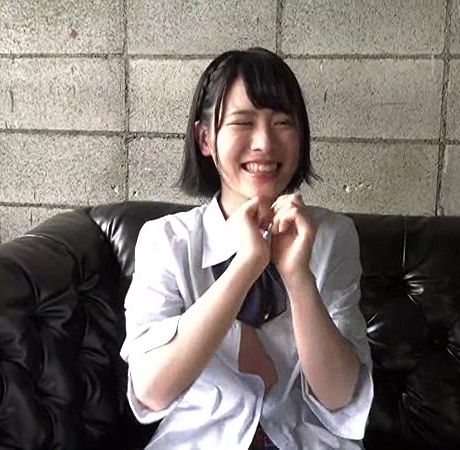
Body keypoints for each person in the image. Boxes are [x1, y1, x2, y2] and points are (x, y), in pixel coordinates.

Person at [119, 47, 373, 449]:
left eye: (282, 123)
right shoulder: (165, 241)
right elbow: (152, 391)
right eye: (243, 122)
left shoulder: (332, 236)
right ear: (205, 139)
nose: (264, 143)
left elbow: (339, 394)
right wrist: (247, 265)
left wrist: (298, 277)